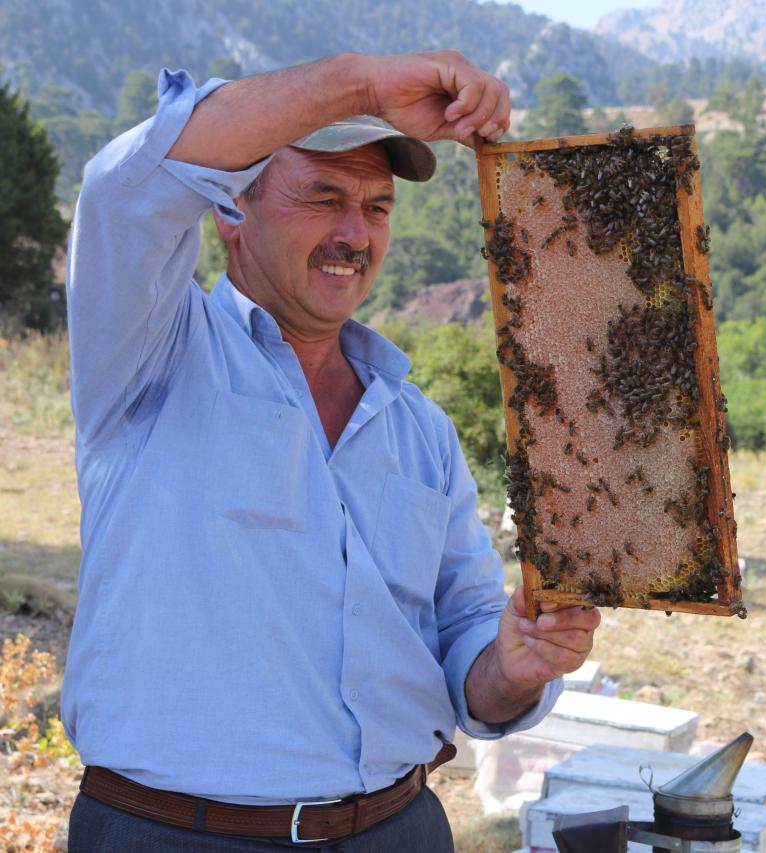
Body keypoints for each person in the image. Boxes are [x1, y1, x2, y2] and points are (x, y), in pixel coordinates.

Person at [61, 50, 600, 850]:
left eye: (377, 207)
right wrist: (363, 85)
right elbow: (126, 186)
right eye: (323, 196)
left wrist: (514, 666)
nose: (354, 233)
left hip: (399, 826)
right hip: (176, 834)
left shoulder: (421, 429)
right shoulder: (148, 349)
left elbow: (470, 644)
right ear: (230, 210)